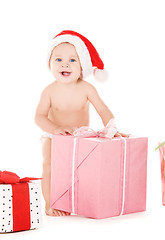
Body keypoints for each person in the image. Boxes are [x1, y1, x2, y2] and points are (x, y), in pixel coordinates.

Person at [35, 30, 128, 216]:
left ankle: (80, 201)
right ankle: (50, 204)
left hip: (80, 138)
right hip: (54, 137)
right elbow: (39, 116)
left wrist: (111, 126)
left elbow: (102, 109)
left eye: (72, 60)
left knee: (82, 170)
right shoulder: (49, 91)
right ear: (50, 64)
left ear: (82, 66)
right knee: (49, 165)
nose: (65, 64)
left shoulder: (86, 88)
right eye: (58, 60)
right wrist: (55, 129)